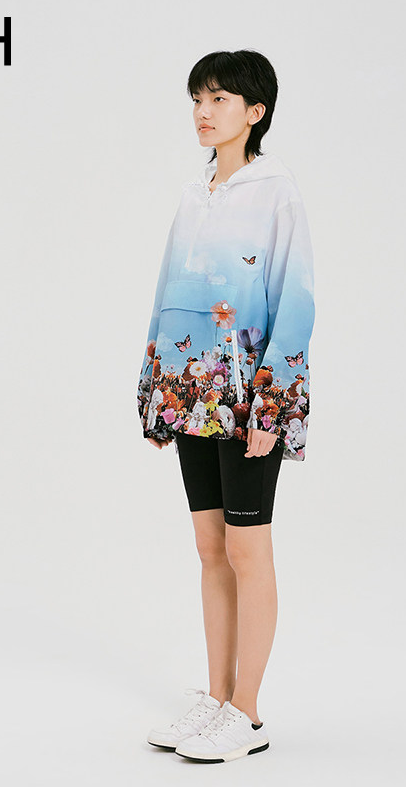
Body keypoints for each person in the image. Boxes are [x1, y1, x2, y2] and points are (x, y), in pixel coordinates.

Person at [139, 49, 315, 763]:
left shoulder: (276, 192)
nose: (203, 112)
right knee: (210, 547)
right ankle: (216, 699)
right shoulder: (193, 195)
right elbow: (168, 294)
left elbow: (295, 302)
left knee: (248, 548)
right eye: (197, 98)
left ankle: (248, 712)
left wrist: (272, 408)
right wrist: (157, 392)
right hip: (192, 394)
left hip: (249, 401)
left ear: (255, 111)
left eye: (219, 99)